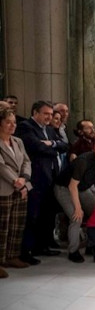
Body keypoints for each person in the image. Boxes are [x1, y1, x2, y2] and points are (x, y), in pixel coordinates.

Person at [16, 101, 69, 263]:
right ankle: (26, 251)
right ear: (35, 112)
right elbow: (35, 147)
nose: (49, 117)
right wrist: (52, 148)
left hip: (51, 178)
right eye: (46, 114)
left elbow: (65, 146)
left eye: (51, 114)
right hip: (36, 179)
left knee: (47, 215)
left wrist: (52, 144)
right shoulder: (26, 127)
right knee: (32, 216)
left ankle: (42, 246)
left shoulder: (48, 130)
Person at [54, 137, 95, 263]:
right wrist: (78, 208)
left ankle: (91, 245)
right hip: (65, 187)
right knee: (77, 217)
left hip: (83, 188)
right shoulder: (83, 160)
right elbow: (72, 186)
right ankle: (73, 250)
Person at [0, 108, 32, 277]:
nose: (12, 125)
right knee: (2, 226)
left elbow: (27, 161)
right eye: (8, 122)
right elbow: (1, 167)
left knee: (16, 224)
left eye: (14, 122)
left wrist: (24, 179)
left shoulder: (18, 141)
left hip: (21, 187)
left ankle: (12, 256)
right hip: (4, 188)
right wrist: (16, 181)